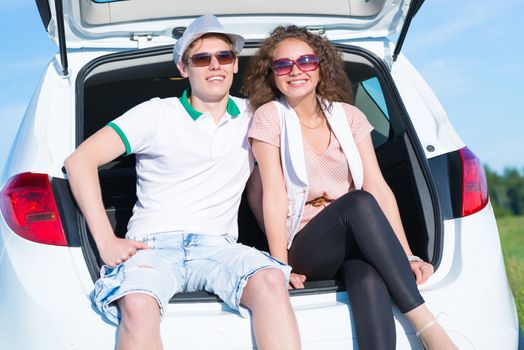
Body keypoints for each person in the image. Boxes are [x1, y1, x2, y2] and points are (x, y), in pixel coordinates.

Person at [64, 15, 300, 350]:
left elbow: (274, 184)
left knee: (270, 282)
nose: (215, 65)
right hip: (153, 247)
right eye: (202, 58)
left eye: (225, 57)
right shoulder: (155, 114)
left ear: (235, 65)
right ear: (183, 67)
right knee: (137, 305)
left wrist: (284, 259)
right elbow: (80, 161)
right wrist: (105, 240)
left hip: (219, 248)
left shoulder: (255, 117)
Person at [242, 25, 457, 350]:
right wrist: (279, 265)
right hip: (305, 245)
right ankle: (427, 325)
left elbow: (377, 186)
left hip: (357, 238)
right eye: (283, 65)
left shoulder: (350, 116)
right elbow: (272, 195)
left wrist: (408, 254)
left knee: (366, 275)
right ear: (272, 75)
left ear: (320, 65)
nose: (296, 70)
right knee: (357, 203)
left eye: (305, 60)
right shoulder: (270, 117)